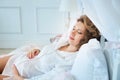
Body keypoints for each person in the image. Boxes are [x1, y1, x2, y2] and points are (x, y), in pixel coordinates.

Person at [0, 15, 100, 80]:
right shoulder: (64, 41)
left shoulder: (69, 61)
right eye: (73, 28)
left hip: (18, 74)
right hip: (19, 59)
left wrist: (17, 77)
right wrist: (38, 51)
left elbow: (45, 78)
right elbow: (47, 52)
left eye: (79, 32)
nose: (72, 32)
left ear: (86, 39)